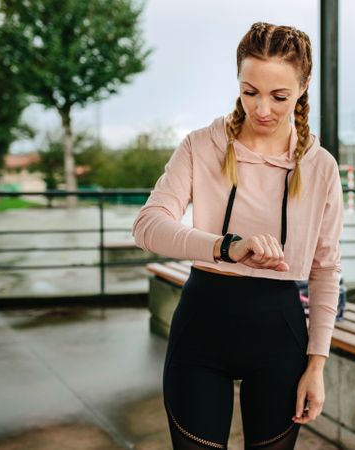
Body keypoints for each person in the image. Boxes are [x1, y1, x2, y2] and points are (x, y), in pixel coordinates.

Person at [131, 21, 344, 450]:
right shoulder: (200, 146)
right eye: (250, 92)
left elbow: (326, 270)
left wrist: (317, 366)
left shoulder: (321, 168)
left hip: (280, 336)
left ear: (303, 88)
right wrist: (226, 246)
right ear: (238, 84)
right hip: (202, 326)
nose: (262, 109)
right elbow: (148, 225)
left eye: (279, 96)